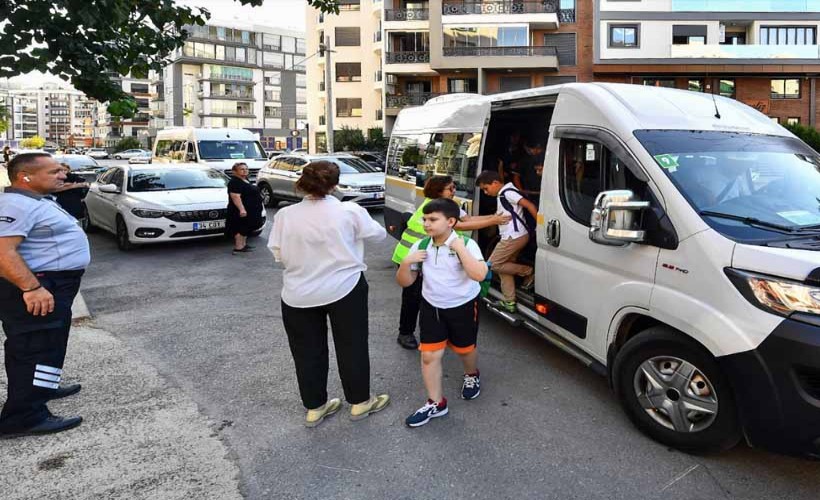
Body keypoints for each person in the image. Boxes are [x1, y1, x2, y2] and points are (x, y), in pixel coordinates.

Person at [268, 160, 390, 428]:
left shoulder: (286, 215)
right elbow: (379, 236)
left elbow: (278, 254)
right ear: (335, 184)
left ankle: (315, 407)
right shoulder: (349, 211)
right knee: (352, 345)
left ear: (301, 182)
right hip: (345, 287)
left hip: (298, 292)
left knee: (306, 351)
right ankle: (360, 402)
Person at [0, 153, 89, 437]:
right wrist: (32, 288)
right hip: (37, 286)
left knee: (49, 342)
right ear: (26, 176)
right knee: (34, 347)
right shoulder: (17, 204)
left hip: (52, 283)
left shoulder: (34, 200)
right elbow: (3, 252)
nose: (62, 175)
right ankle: (24, 417)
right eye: (54, 172)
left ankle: (43, 389)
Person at [397, 198, 488, 427]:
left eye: (432, 219)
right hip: (432, 307)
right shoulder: (421, 246)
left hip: (463, 305)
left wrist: (458, 248)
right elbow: (405, 282)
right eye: (425, 219)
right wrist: (406, 263)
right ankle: (436, 403)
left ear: (451, 222)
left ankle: (471, 374)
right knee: (429, 355)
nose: (426, 223)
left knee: (465, 350)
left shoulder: (467, 244)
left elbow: (479, 274)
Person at [391, 175, 509, 350]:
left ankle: (436, 333)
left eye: (454, 187)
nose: (454, 191)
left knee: (430, 294)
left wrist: (493, 217)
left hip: (428, 257)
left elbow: (467, 220)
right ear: (439, 191)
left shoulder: (449, 207)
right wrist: (493, 221)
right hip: (409, 256)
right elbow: (459, 226)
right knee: (413, 298)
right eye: (450, 189)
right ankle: (405, 333)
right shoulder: (433, 208)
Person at [475, 171, 538, 313]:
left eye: (486, 188)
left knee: (493, 265)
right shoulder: (504, 193)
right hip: (515, 236)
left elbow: (530, 206)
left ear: (495, 183)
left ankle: (529, 271)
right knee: (504, 267)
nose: (485, 192)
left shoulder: (507, 193)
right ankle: (509, 302)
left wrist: (541, 225)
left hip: (513, 238)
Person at [226, 162, 264, 255]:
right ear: (234, 172)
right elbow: (235, 197)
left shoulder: (245, 179)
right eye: (242, 169)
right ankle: (238, 248)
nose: (245, 171)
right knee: (242, 228)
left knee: (248, 226)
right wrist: (242, 209)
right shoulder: (235, 182)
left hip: (252, 209)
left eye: (246, 169)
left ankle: (243, 245)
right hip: (243, 210)